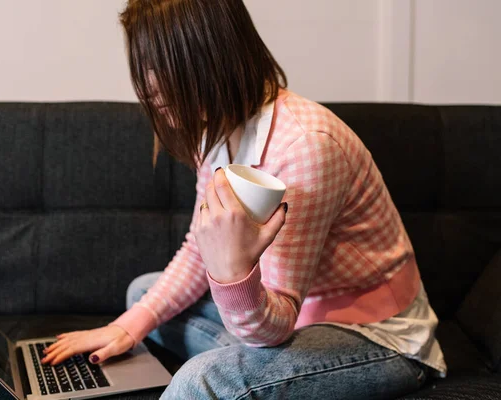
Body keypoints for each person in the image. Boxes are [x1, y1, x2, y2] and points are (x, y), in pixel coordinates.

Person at [42, 1, 447, 398]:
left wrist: (233, 270)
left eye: (164, 65)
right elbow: (199, 252)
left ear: (215, 56)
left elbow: (276, 325)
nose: (150, 86)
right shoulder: (213, 129)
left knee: (199, 381)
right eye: (144, 64)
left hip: (375, 338)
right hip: (287, 322)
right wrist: (125, 328)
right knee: (141, 298)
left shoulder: (305, 146)